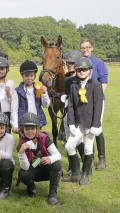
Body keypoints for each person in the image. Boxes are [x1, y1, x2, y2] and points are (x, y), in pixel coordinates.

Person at [64, 57, 103, 185]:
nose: (81, 72)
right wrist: (70, 122)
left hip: (91, 121)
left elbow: (98, 106)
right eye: (79, 70)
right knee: (69, 146)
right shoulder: (73, 85)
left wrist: (96, 124)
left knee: (88, 147)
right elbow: (70, 105)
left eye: (84, 70)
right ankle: (75, 174)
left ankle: (85, 174)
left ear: (89, 71)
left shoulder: (96, 85)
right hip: (77, 121)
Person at [16, 112, 61, 205]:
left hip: (46, 166)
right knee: (23, 174)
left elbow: (58, 155)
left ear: (37, 129)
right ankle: (31, 187)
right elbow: (25, 167)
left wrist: (50, 159)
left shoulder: (45, 139)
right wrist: (21, 153)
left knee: (57, 164)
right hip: (34, 166)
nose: (30, 131)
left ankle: (53, 193)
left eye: (32, 128)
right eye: (27, 129)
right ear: (22, 130)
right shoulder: (21, 144)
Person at [80, 38, 108, 170]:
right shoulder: (79, 63)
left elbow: (104, 82)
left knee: (97, 128)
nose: (85, 50)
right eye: (83, 48)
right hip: (83, 101)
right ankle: (89, 157)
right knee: (86, 128)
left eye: (87, 47)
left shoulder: (99, 63)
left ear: (92, 48)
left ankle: (102, 159)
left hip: (97, 101)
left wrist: (95, 97)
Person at [11, 60, 50, 133]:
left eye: (31, 75)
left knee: (37, 143)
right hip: (24, 123)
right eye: (26, 75)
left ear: (35, 76)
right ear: (22, 76)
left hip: (37, 122)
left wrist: (44, 94)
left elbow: (46, 105)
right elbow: (14, 110)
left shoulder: (39, 88)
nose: (29, 78)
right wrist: (15, 125)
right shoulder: (17, 91)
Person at [0, 56, 16, 132]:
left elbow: (14, 101)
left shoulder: (10, 83)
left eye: (2, 69)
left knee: (6, 135)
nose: (0, 71)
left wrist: (9, 94)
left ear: (7, 70)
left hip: (6, 113)